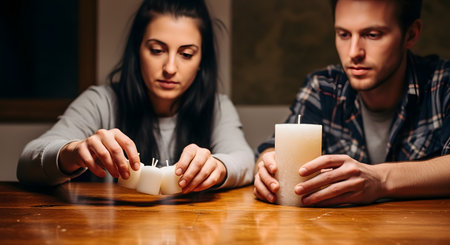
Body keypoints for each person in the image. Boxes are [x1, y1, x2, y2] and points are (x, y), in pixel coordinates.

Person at [17, 0, 254, 193]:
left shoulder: (217, 107)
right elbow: (27, 163)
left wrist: (218, 167)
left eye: (186, 53)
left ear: (202, 61)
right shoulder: (101, 102)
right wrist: (74, 151)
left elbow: (243, 160)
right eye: (157, 50)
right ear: (137, 50)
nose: (170, 67)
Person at [254, 0, 449, 207]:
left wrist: (380, 179)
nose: (354, 52)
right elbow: (270, 151)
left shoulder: (442, 85)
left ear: (411, 34)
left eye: (372, 35)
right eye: (344, 35)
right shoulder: (323, 88)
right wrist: (267, 167)